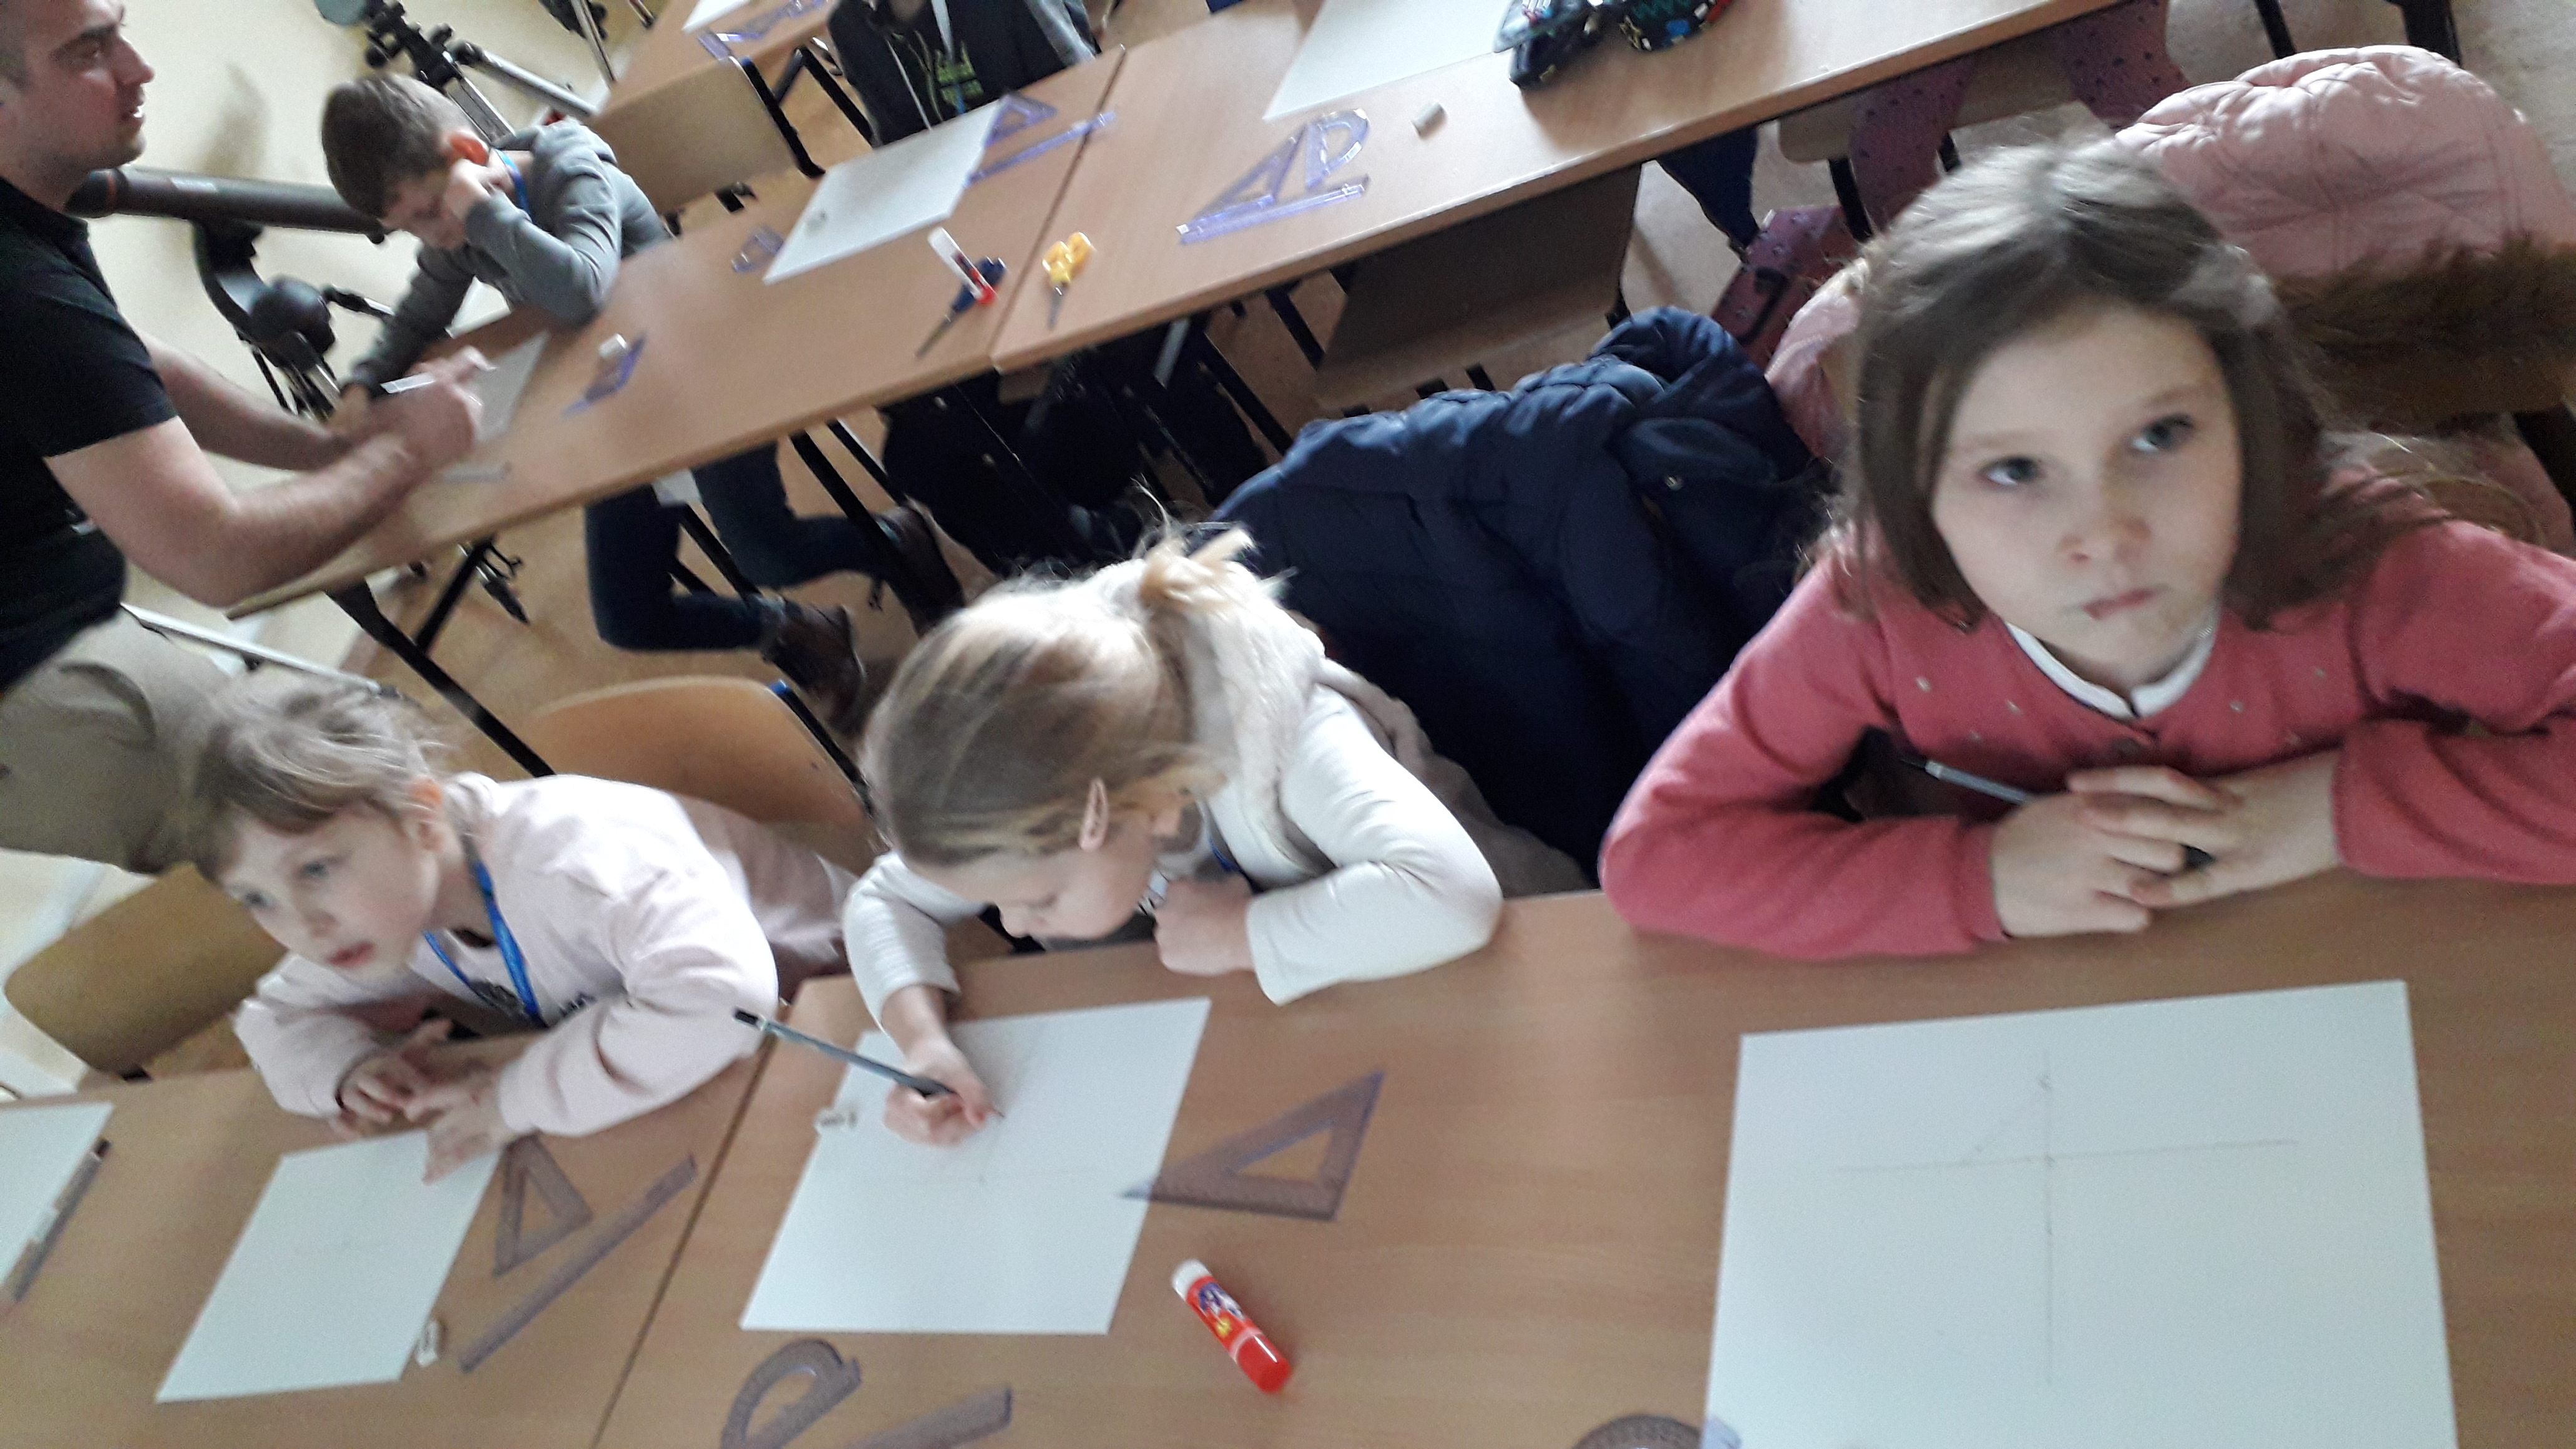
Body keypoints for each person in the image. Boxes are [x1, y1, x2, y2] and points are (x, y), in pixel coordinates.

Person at [1598, 142, 2576, 960]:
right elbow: (1659, 857)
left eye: (2160, 435)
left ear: (2251, 420)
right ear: (1913, 491)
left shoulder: (2369, 562)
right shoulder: (1881, 597)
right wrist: (1981, 879)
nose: (2105, 532)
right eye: (2014, 469)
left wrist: (2336, 808)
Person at [845, 531, 1588, 1145]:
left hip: (1536, 978)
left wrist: (1242, 934)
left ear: (1110, 811)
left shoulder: (1290, 737)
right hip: (1353, 1023)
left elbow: (1453, 896)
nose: (1013, 925)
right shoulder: (1049, 790)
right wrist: (924, 1042)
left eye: (1039, 899)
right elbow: (883, 901)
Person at [318, 74, 963, 734]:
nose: (432, 238)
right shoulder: (457, 231)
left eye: (427, 214)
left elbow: (580, 290)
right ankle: (798, 629)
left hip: (705, 372)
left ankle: (896, 542)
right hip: (623, 409)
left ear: (467, 153)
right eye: (410, 228)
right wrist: (363, 383)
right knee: (628, 616)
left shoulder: (567, 171)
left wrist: (484, 214)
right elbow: (418, 314)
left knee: (767, 554)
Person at [0, 0, 485, 874]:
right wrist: (406, 451)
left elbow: (136, 366)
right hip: (22, 679)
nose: (139, 68)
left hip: (48, 603)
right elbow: (218, 559)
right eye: (90, 52)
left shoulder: (31, 222)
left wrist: (335, 451)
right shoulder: (22, 293)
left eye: (121, 29)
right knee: (337, 823)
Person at [196, 671, 855, 1181]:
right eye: (256, 898)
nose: (302, 926)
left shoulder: (575, 865)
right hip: (712, 1064)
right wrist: (347, 1069)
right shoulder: (379, 917)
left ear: (421, 819)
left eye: (315, 870)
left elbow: (724, 1001)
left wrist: (519, 1099)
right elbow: (273, 1018)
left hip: (853, 1006)